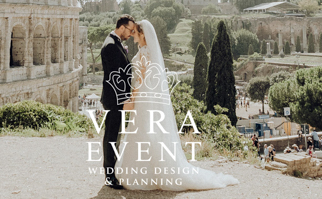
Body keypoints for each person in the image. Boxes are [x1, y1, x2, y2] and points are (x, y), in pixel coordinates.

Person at [116, 20, 240, 191]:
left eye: (135, 33)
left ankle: (144, 175)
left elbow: (140, 80)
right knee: (149, 135)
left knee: (144, 133)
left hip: (142, 98)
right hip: (148, 99)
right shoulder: (146, 51)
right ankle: (151, 172)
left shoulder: (144, 53)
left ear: (143, 34)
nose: (132, 36)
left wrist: (132, 98)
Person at [100, 16, 135, 189]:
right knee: (112, 137)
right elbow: (114, 77)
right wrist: (123, 100)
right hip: (114, 100)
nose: (131, 34)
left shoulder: (115, 43)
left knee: (115, 135)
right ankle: (109, 176)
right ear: (121, 28)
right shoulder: (111, 46)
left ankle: (112, 172)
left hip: (117, 99)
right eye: (130, 30)